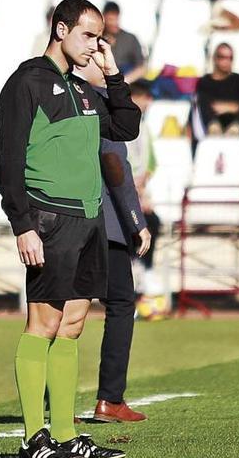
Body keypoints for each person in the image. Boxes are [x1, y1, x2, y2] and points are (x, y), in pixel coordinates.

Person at [0, 0, 139, 458]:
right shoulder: (26, 82)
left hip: (90, 219)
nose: (96, 45)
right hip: (49, 218)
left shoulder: (82, 88)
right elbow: (8, 162)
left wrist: (113, 73)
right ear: (61, 30)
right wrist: (23, 225)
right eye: (88, 35)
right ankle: (34, 437)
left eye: (100, 37)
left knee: (73, 324)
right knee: (44, 321)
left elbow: (126, 125)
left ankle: (65, 435)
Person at [93, 139, 151, 424]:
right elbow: (114, 164)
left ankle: (54, 402)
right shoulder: (104, 105)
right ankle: (110, 399)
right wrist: (136, 221)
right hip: (104, 224)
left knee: (62, 308)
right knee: (121, 303)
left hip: (61, 221)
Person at [126, 82, 162, 294]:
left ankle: (144, 269)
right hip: (121, 191)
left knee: (152, 220)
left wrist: (142, 184)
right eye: (143, 97)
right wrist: (134, 190)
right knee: (134, 222)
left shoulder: (144, 127)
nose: (147, 103)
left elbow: (151, 162)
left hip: (137, 190)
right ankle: (132, 269)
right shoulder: (120, 124)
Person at [195, 43, 239, 139]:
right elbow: (206, 105)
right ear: (215, 58)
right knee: (200, 98)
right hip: (212, 123)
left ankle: (235, 130)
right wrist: (234, 106)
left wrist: (229, 107)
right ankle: (214, 129)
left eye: (230, 58)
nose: (227, 61)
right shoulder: (205, 81)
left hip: (236, 124)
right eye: (222, 57)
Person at [102, 1, 147, 84]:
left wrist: (125, 81)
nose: (114, 23)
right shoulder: (97, 38)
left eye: (116, 19)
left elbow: (142, 68)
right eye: (110, 19)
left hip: (128, 83)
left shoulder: (131, 39)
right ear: (103, 18)